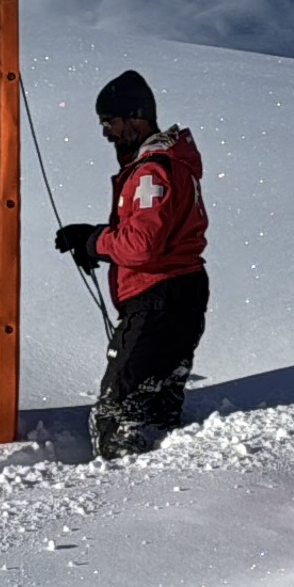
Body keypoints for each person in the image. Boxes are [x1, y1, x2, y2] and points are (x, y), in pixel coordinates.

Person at [52, 70, 208, 459]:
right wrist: (95, 236)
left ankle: (127, 498)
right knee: (157, 408)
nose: (106, 133)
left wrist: (95, 242)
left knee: (117, 416)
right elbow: (150, 232)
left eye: (110, 122)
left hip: (158, 300)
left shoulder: (152, 171)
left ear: (135, 117)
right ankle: (167, 486)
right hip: (177, 295)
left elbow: (142, 247)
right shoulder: (167, 165)